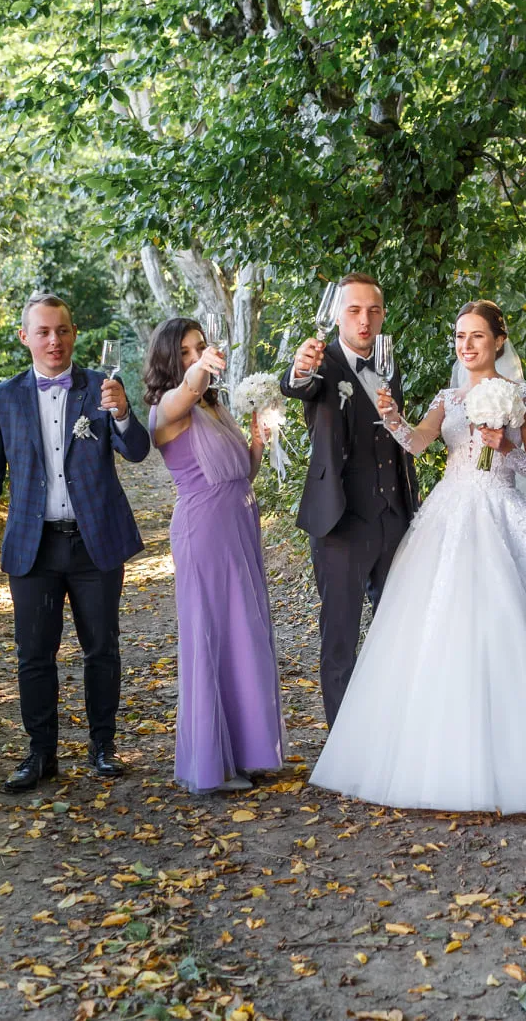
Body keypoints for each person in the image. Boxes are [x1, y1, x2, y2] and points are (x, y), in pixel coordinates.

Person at [308, 300, 526, 813]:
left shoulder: (524, 395)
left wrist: (505, 448)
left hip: (503, 511)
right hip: (448, 514)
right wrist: (393, 419)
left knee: (509, 623)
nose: (467, 345)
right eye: (460, 336)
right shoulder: (447, 397)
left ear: (499, 341)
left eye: (477, 335)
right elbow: (418, 444)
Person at [0, 293, 151, 792]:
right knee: (33, 653)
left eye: (63, 330)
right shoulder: (3, 396)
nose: (55, 340)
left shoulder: (101, 387)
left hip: (95, 543)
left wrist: (122, 413)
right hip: (33, 546)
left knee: (102, 648)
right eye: (44, 332)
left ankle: (103, 746)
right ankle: (41, 753)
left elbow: (137, 451)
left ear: (74, 334)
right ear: (24, 337)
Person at [143, 317, 286, 794]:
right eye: (185, 351)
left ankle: (247, 752)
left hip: (239, 524)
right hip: (203, 531)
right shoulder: (169, 406)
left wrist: (258, 439)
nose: (195, 356)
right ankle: (211, 764)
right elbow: (187, 387)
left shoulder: (214, 407)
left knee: (246, 634)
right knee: (212, 637)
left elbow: (242, 471)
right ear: (170, 360)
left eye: (200, 347)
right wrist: (200, 368)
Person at [280, 273, 419, 725]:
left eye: (373, 311)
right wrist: (300, 367)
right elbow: (297, 384)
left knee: (398, 631)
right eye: (354, 310)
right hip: (338, 520)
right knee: (339, 638)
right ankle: (343, 741)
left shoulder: (388, 364)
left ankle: (390, 729)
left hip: (394, 517)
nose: (365, 320)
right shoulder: (321, 363)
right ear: (338, 315)